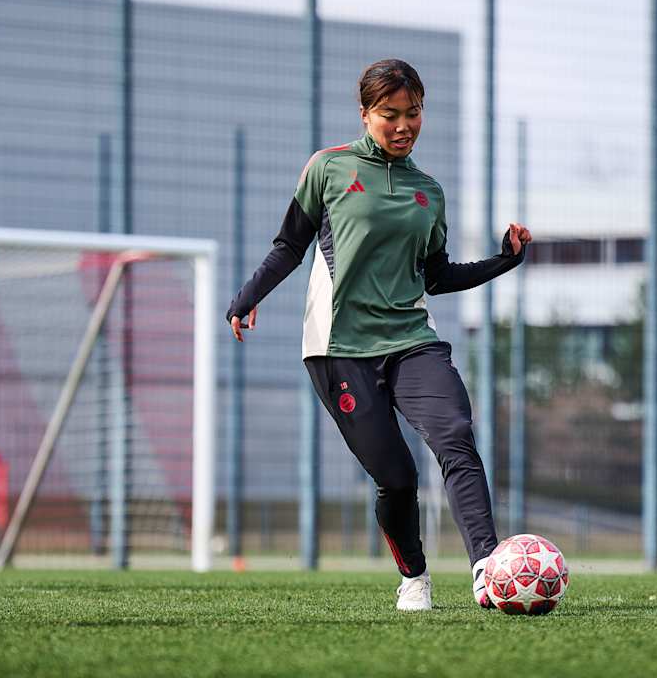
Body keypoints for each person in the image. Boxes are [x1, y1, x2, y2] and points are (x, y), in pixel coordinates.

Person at [227, 59, 531, 611]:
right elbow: (289, 246)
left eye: (412, 114)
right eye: (389, 114)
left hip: (412, 340)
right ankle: (414, 577)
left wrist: (503, 261)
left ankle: (489, 568)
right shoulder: (329, 168)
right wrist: (248, 297)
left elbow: (436, 277)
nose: (402, 126)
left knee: (456, 435)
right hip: (339, 351)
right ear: (365, 113)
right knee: (397, 477)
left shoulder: (428, 192)